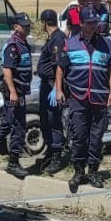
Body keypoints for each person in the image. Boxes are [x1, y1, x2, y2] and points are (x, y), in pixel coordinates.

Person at [54, 7, 111, 193]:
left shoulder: (106, 44)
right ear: (81, 24)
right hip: (78, 98)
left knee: (96, 138)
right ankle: (79, 171)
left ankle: (94, 172)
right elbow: (60, 69)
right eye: (89, 22)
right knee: (79, 136)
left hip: (99, 98)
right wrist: (58, 90)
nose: (93, 25)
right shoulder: (70, 43)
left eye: (95, 22)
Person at [0, 13, 33, 180]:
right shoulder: (13, 45)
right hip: (14, 92)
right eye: (24, 25)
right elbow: (7, 70)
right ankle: (12, 163)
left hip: (20, 91)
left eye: (28, 25)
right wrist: (13, 91)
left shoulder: (23, 43)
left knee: (6, 123)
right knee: (18, 126)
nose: (27, 27)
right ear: (16, 27)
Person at [35, 9, 67, 174]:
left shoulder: (58, 38)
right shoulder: (52, 38)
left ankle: (57, 156)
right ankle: (49, 152)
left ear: (44, 23)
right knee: (45, 120)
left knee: (54, 122)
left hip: (53, 85)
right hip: (46, 85)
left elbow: (59, 65)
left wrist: (57, 87)